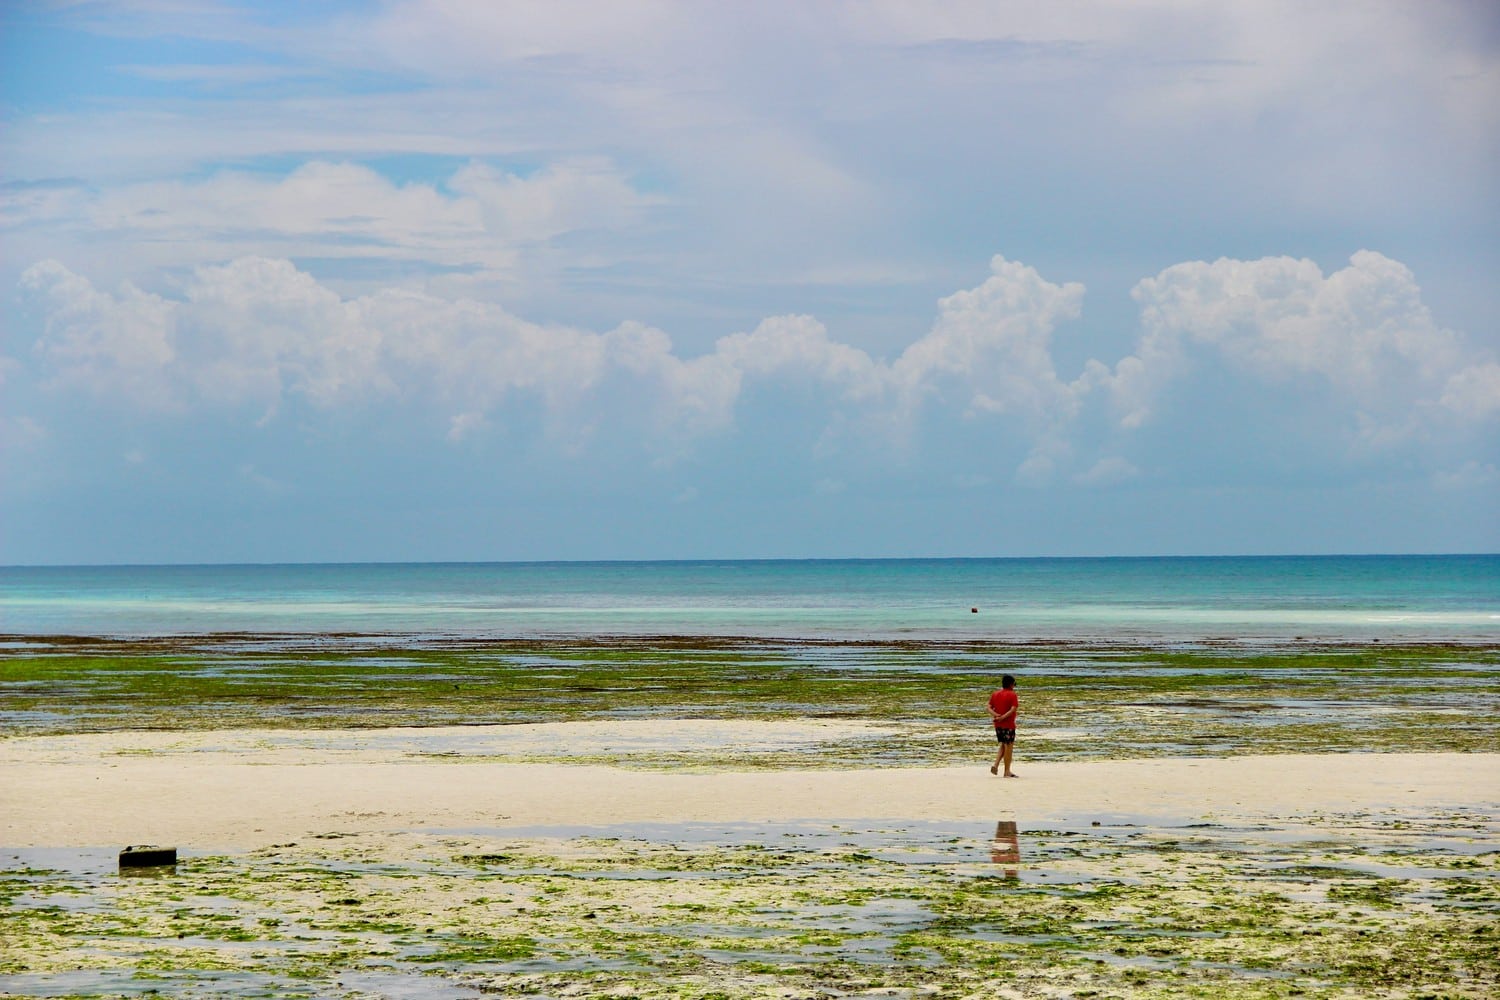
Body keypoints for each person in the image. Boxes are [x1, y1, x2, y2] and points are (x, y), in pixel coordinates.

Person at [988, 674, 1018, 777]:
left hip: (998, 725)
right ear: (1011, 684)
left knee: (1003, 745)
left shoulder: (995, 694)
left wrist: (996, 715)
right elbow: (1013, 709)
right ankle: (1007, 771)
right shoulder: (1012, 694)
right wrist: (1003, 717)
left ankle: (996, 765)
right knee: (1009, 747)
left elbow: (988, 707)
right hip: (1008, 724)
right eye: (1014, 684)